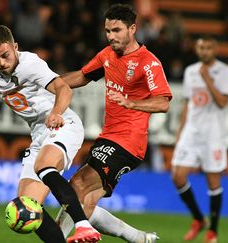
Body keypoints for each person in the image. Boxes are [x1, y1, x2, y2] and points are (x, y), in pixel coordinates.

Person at [0, 25, 101, 243]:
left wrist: (56, 112)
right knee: (27, 205)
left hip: (63, 124)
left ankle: (83, 227)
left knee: (44, 165)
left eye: (5, 55)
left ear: (15, 47)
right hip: (39, 133)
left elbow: (64, 88)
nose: (2, 63)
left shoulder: (31, 65)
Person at [56, 4, 172, 243]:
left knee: (76, 184)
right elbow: (82, 76)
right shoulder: (107, 55)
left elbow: (163, 102)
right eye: (108, 30)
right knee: (86, 200)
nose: (111, 36)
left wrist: (132, 103)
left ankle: (53, 239)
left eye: (117, 30)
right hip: (108, 136)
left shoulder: (148, 62)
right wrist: (48, 83)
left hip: (129, 141)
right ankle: (136, 237)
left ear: (132, 29)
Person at [170, 36, 228, 243]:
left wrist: (207, 79)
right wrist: (180, 132)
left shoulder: (225, 72)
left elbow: (223, 102)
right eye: (201, 48)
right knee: (177, 176)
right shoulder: (190, 71)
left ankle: (213, 230)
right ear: (197, 49)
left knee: (213, 182)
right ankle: (198, 218)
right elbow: (188, 104)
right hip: (192, 131)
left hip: (213, 134)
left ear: (215, 48)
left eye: (208, 48)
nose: (204, 51)